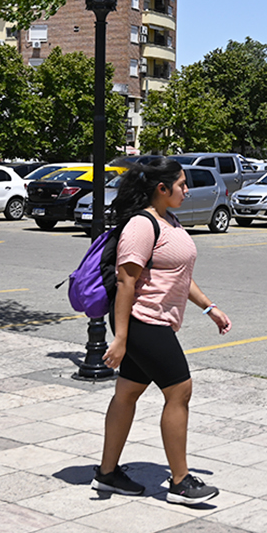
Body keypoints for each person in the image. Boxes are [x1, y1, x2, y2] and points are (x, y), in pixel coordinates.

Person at [95, 157, 231, 504]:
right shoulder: (141, 226)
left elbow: (179, 276)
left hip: (151, 321)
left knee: (127, 393)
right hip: (143, 321)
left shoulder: (169, 220)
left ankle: (107, 474)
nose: (187, 190)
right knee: (180, 390)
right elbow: (126, 281)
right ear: (161, 188)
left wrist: (210, 308)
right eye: (182, 185)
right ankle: (180, 482)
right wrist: (121, 338)